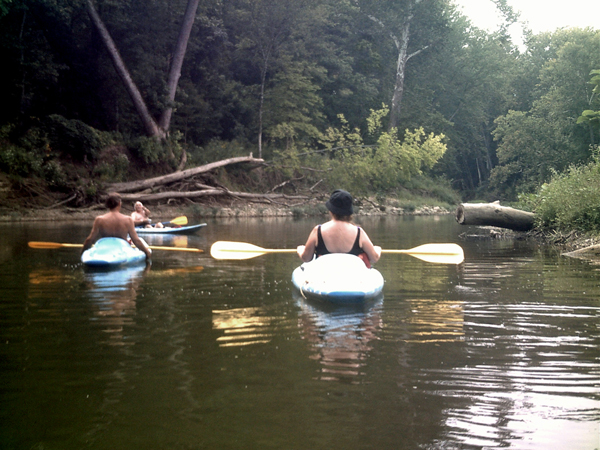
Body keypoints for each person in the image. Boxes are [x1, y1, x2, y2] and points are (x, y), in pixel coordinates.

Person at [297, 189, 381, 267]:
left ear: (331, 211)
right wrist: (378, 249)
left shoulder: (318, 231)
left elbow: (306, 258)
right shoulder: (359, 232)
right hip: (352, 278)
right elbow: (374, 258)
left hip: (324, 278)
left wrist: (300, 249)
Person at [82, 193, 152, 259]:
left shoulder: (99, 219)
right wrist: (147, 252)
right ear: (119, 203)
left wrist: (83, 253)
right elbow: (136, 241)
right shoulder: (128, 220)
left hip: (104, 248)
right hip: (122, 249)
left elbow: (90, 240)